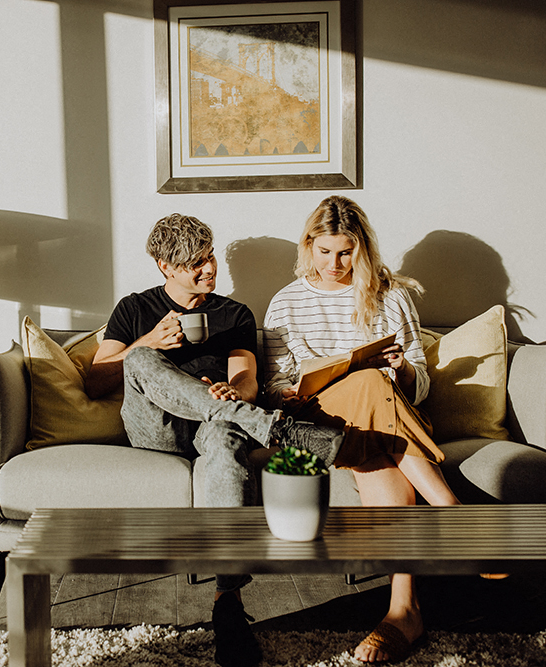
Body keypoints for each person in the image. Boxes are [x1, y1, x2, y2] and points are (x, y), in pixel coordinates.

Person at [86, 213, 344, 667]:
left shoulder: (233, 314)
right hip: (156, 428)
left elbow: (245, 377)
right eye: (194, 265)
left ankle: (228, 603)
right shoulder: (134, 308)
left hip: (214, 422)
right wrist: (145, 342)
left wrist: (233, 393)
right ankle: (271, 428)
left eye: (209, 258)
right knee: (142, 360)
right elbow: (95, 382)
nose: (208, 270)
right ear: (164, 265)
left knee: (227, 439)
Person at [262, 195, 462, 664]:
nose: (335, 263)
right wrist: (285, 394)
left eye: (346, 252)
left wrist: (405, 371)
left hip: (381, 423)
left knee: (374, 390)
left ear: (363, 248)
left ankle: (403, 612)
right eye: (325, 251)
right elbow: (274, 382)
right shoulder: (287, 301)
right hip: (322, 419)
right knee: (367, 380)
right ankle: (451, 508)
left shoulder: (390, 295)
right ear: (308, 246)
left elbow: (420, 382)